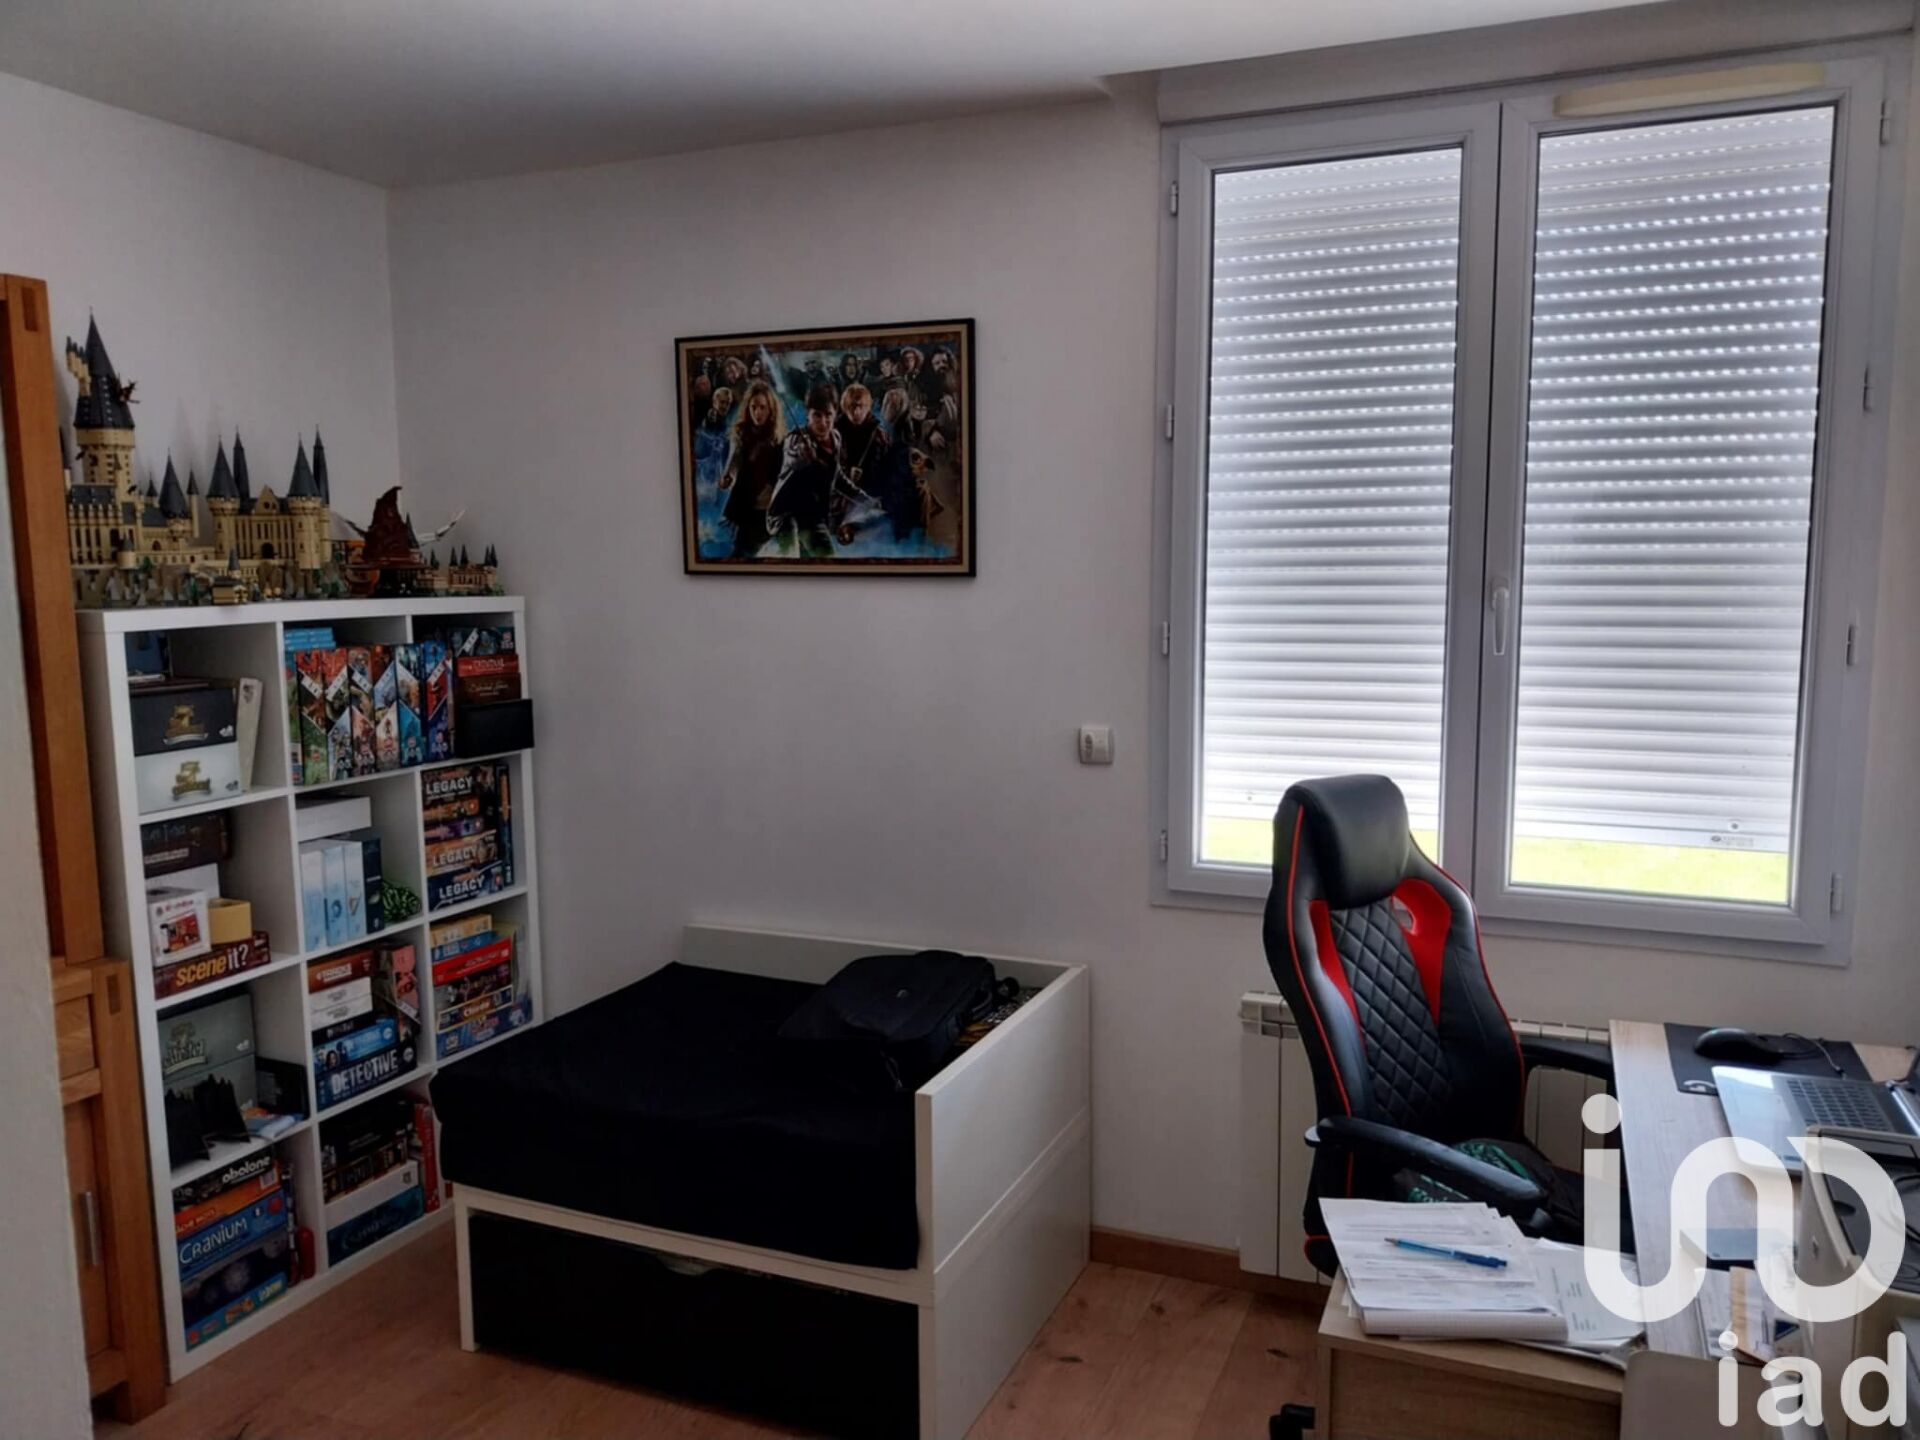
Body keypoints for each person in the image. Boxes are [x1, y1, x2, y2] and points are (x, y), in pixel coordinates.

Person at [766, 383, 844, 558]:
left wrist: (864, 499)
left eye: (828, 415)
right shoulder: (795, 440)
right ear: (808, 414)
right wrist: (803, 455)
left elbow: (838, 476)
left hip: (812, 516)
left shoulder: (836, 439)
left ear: (835, 414)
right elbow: (792, 457)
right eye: (817, 415)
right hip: (785, 513)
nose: (823, 422)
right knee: (790, 556)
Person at [718, 380, 786, 560]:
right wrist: (728, 477)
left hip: (766, 510)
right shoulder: (743, 433)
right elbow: (734, 460)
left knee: (744, 553)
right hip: (745, 504)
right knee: (741, 553)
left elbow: (782, 473)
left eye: (763, 407)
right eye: (753, 407)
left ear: (771, 409)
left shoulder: (778, 439)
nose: (758, 413)